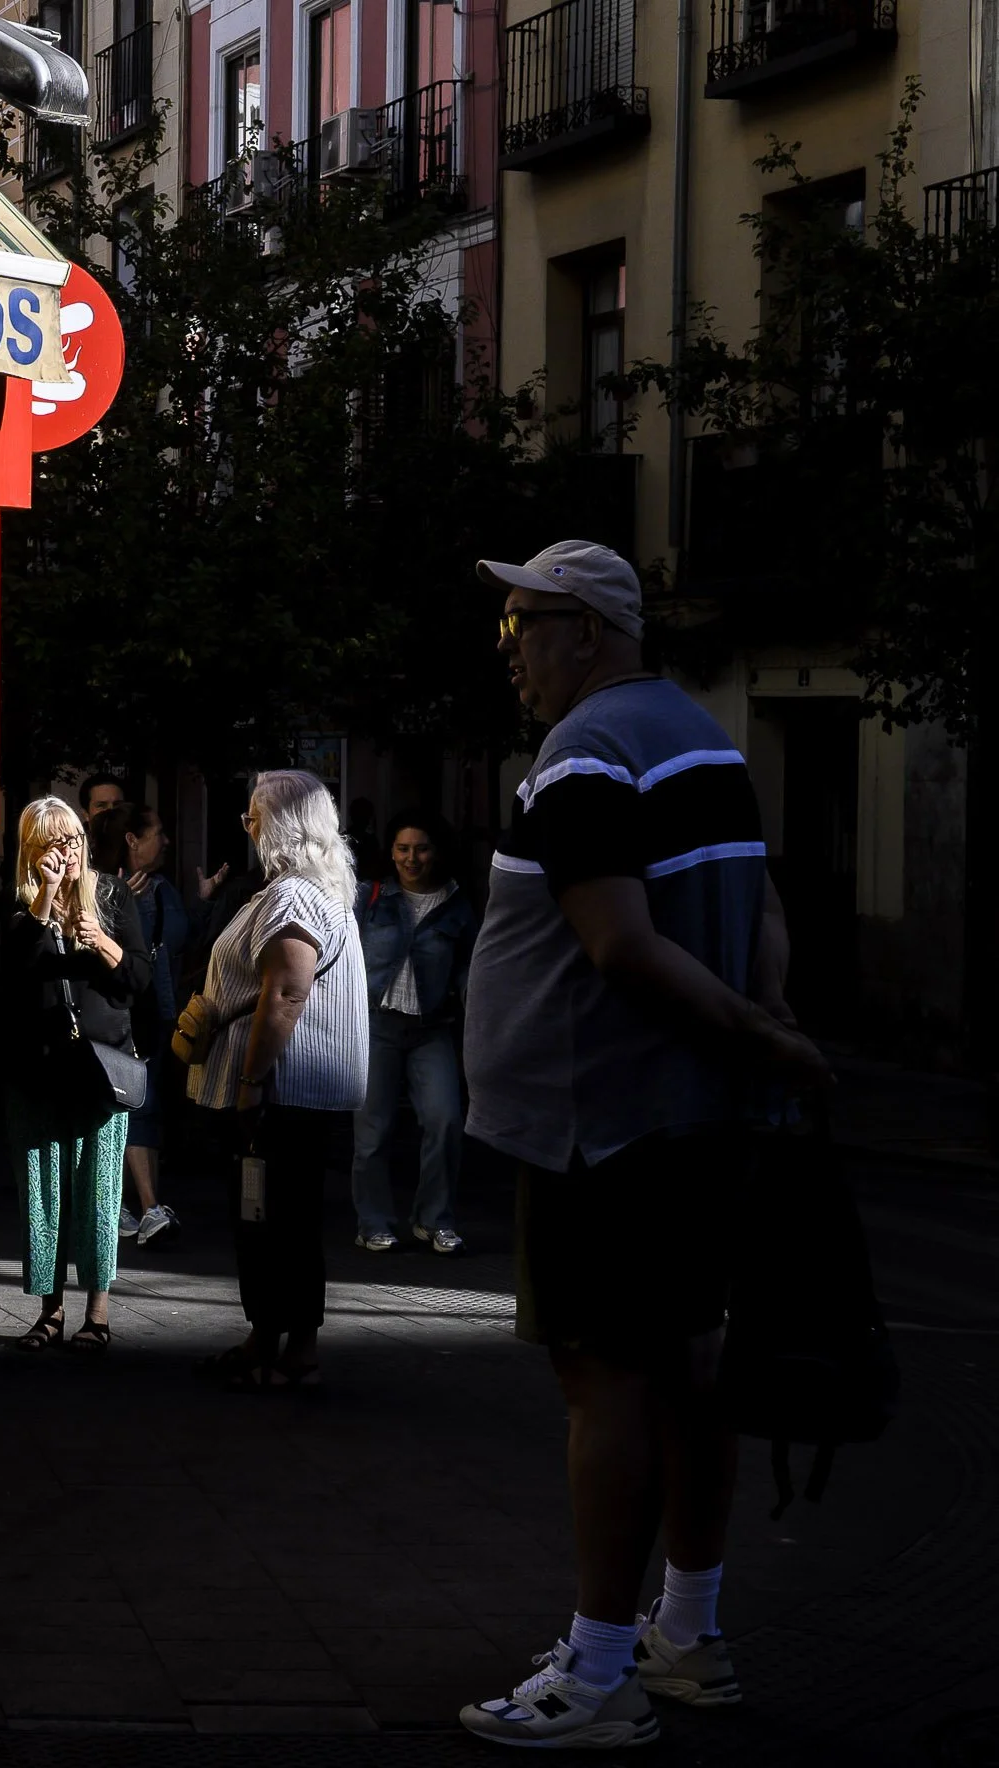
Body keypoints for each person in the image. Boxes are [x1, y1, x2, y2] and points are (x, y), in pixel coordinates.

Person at [454, 543, 828, 1750]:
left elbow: (616, 944)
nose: (507, 648)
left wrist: (759, 1038)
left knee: (604, 1381)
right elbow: (760, 905)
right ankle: (688, 1633)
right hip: (686, 1116)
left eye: (521, 622)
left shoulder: (585, 755)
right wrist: (763, 1019)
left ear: (587, 629)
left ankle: (600, 1670)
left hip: (595, 1123)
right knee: (687, 1367)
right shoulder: (705, 740)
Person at [175, 771, 368, 1392]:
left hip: (280, 1095)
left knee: (272, 1219)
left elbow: (285, 993)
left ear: (279, 825)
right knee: (281, 1218)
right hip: (295, 1094)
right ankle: (273, 1340)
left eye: (252, 817)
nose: (248, 828)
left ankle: (287, 1347)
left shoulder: (292, 897)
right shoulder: (319, 890)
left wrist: (251, 1083)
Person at [1, 797, 150, 1352]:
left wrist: (103, 943)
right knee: (43, 1195)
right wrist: (44, 898)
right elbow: (14, 972)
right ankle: (50, 1312)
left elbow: (138, 980)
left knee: (99, 1194)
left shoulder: (111, 895)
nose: (67, 852)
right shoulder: (19, 904)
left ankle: (98, 1313)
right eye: (54, 843)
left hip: (100, 1070)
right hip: (37, 1072)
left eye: (74, 840)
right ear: (32, 851)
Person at [89, 803, 226, 1245]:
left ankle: (127, 1205)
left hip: (164, 1015)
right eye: (158, 833)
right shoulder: (102, 888)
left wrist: (202, 902)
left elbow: (186, 943)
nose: (166, 841)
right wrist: (116, 907)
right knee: (134, 1106)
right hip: (124, 1015)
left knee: (147, 1108)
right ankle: (143, 1207)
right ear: (132, 840)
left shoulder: (163, 888)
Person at [350, 811, 480, 1255]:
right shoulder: (370, 896)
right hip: (377, 1026)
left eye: (421, 849)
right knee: (372, 1132)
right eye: (403, 848)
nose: (411, 858)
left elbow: (469, 965)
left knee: (445, 1121)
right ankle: (373, 1223)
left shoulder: (456, 903)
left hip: (432, 1029)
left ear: (436, 852)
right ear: (390, 851)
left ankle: (434, 1219)